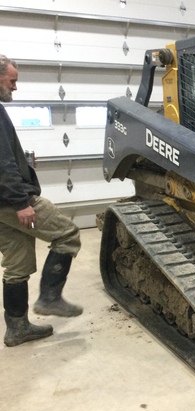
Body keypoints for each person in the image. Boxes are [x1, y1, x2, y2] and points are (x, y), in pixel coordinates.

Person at [0, 54, 83, 347]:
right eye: (12, 81)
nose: (15, 87)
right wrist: (21, 202)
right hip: (11, 200)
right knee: (67, 234)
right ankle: (49, 297)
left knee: (17, 264)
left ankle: (17, 328)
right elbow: (3, 163)